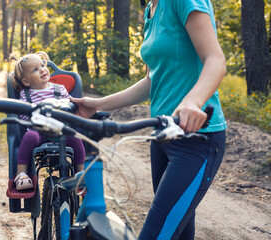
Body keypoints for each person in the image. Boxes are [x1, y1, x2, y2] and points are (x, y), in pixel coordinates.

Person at [71, 0, 227, 239]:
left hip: (197, 137)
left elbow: (215, 60)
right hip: (163, 133)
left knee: (155, 234)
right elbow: (152, 80)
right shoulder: (150, 10)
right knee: (178, 231)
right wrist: (98, 104)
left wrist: (192, 102)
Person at [10, 51, 85, 190]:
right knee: (29, 137)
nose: (42, 70)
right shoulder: (25, 94)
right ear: (26, 81)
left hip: (61, 130)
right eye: (35, 70)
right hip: (39, 132)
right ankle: (21, 174)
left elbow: (71, 105)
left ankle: (80, 174)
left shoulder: (60, 89)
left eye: (42, 66)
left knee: (76, 137)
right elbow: (23, 116)